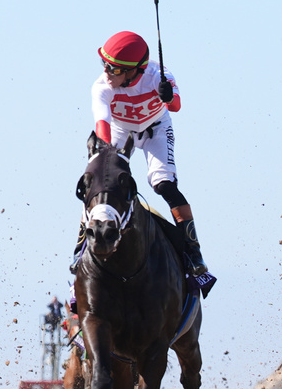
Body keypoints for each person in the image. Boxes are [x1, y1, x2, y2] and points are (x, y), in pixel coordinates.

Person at [72, 30, 207, 276]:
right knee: (101, 181)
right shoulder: (101, 87)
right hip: (121, 130)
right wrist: (105, 159)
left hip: (156, 128)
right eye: (105, 65)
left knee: (163, 184)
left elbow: (176, 106)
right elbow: (102, 124)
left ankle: (193, 251)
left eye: (113, 69)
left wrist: (168, 96)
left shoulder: (157, 76)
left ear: (134, 70)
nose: (106, 72)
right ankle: (81, 247)